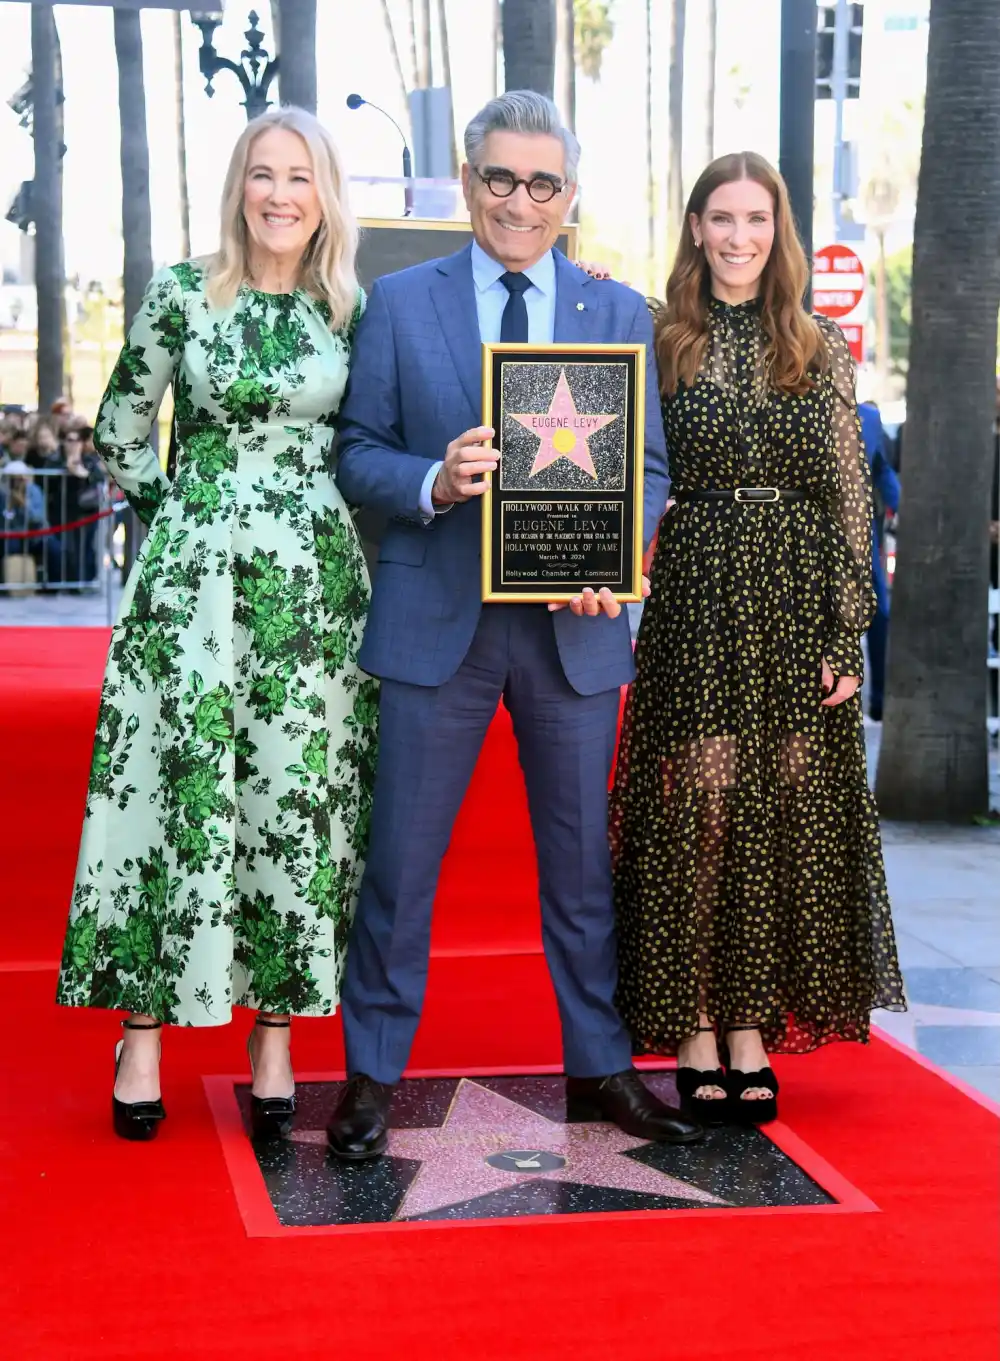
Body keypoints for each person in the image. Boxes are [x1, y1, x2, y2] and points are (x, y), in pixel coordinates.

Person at [326, 90, 701, 1162]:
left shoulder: (615, 312)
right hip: (433, 618)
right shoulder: (398, 304)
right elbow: (356, 453)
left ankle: (602, 1064)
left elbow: (651, 469)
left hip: (570, 632)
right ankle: (370, 1070)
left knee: (582, 867)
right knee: (400, 861)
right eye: (500, 178)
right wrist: (434, 479)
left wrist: (611, 558)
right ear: (467, 181)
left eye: (542, 182)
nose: (519, 200)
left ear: (569, 196)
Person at [56, 107, 377, 1143]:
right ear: (239, 185)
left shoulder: (349, 307)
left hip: (313, 598)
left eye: (301, 177)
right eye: (262, 174)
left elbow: (367, 443)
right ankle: (141, 1031)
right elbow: (117, 425)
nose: (281, 194)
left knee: (291, 792)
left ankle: (273, 1032)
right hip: (191, 588)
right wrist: (182, 513)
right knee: (172, 787)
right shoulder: (185, 294)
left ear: (325, 194)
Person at [609, 152, 905, 1127]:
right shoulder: (659, 342)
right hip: (696, 592)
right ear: (694, 228)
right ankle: (694, 1022)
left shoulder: (815, 348)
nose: (738, 236)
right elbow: (621, 466)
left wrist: (844, 630)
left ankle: (748, 1025)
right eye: (720, 218)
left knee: (778, 821)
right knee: (699, 815)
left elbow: (846, 501)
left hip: (791, 606)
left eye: (756, 219)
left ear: (776, 232)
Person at [858, 401, 900, 721]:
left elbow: (883, 468)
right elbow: (884, 469)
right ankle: (878, 698)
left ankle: (879, 698)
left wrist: (901, 506)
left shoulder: (869, 417)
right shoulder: (869, 417)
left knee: (879, 611)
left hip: (860, 530)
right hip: (854, 528)